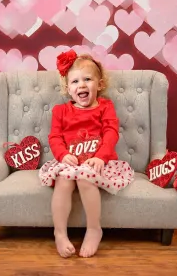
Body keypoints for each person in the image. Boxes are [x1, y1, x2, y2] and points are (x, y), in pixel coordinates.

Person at [39, 49, 134, 258]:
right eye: (74, 82)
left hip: (96, 162)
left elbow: (111, 132)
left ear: (99, 85)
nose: (81, 85)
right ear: (68, 88)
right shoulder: (60, 111)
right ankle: (60, 233)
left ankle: (93, 229)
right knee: (64, 179)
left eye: (87, 79)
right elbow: (54, 137)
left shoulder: (105, 107)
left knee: (85, 178)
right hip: (70, 162)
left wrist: (100, 156)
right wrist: (63, 155)